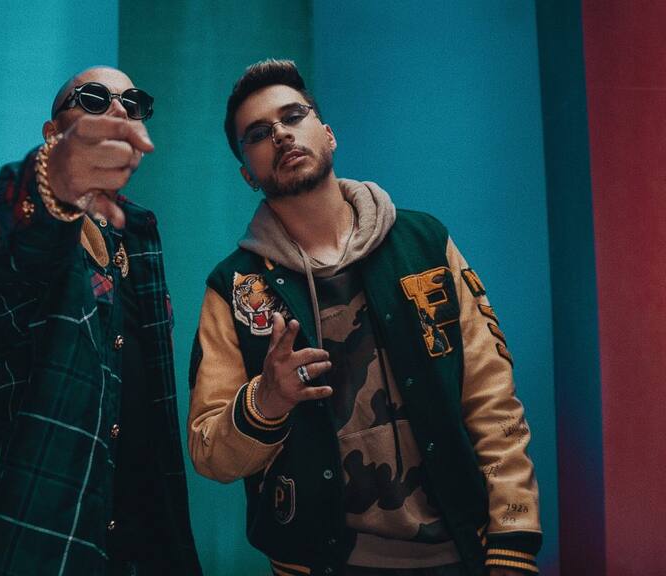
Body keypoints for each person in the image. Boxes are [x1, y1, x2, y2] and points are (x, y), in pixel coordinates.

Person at [188, 59, 541, 576]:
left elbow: (491, 396)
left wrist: (514, 535)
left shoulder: (423, 244)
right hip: (318, 563)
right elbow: (208, 453)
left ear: (328, 134)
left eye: (293, 116)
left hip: (461, 551)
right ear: (248, 174)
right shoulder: (235, 289)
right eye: (258, 134)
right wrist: (266, 401)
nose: (280, 134)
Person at [0, 66, 202, 575]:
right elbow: (18, 239)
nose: (118, 110)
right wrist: (54, 180)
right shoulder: (8, 215)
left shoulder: (140, 234)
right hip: (40, 542)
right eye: (93, 98)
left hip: (144, 541)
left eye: (132, 103)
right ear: (53, 134)